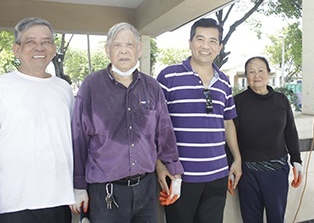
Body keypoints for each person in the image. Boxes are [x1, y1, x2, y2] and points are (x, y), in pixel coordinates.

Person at [70, 22, 184, 222]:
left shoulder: (152, 87)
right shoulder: (91, 86)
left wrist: (175, 173)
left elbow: (164, 134)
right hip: (106, 193)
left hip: (146, 190)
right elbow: (78, 138)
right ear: (107, 50)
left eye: (130, 45)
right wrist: (78, 186)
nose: (124, 51)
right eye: (117, 45)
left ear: (139, 49)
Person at [156, 18, 242, 223]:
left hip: (217, 177)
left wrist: (237, 159)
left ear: (220, 47)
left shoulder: (224, 81)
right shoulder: (169, 77)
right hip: (179, 177)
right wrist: (159, 165)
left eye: (213, 41)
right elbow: (153, 126)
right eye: (200, 39)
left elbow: (228, 121)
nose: (206, 46)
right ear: (190, 42)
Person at [0, 17, 74, 223]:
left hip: (58, 200)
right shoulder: (3, 86)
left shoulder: (64, 89)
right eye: (30, 41)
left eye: (46, 41)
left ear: (53, 48)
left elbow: (71, 140)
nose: (39, 47)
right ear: (16, 49)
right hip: (12, 203)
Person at [233, 56, 302, 223]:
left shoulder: (281, 100)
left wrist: (296, 160)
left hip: (276, 171)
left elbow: (290, 131)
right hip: (247, 171)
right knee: (250, 219)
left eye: (260, 70)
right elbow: (230, 137)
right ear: (246, 76)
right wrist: (232, 166)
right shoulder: (238, 102)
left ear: (269, 73)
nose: (256, 75)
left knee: (276, 217)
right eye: (251, 72)